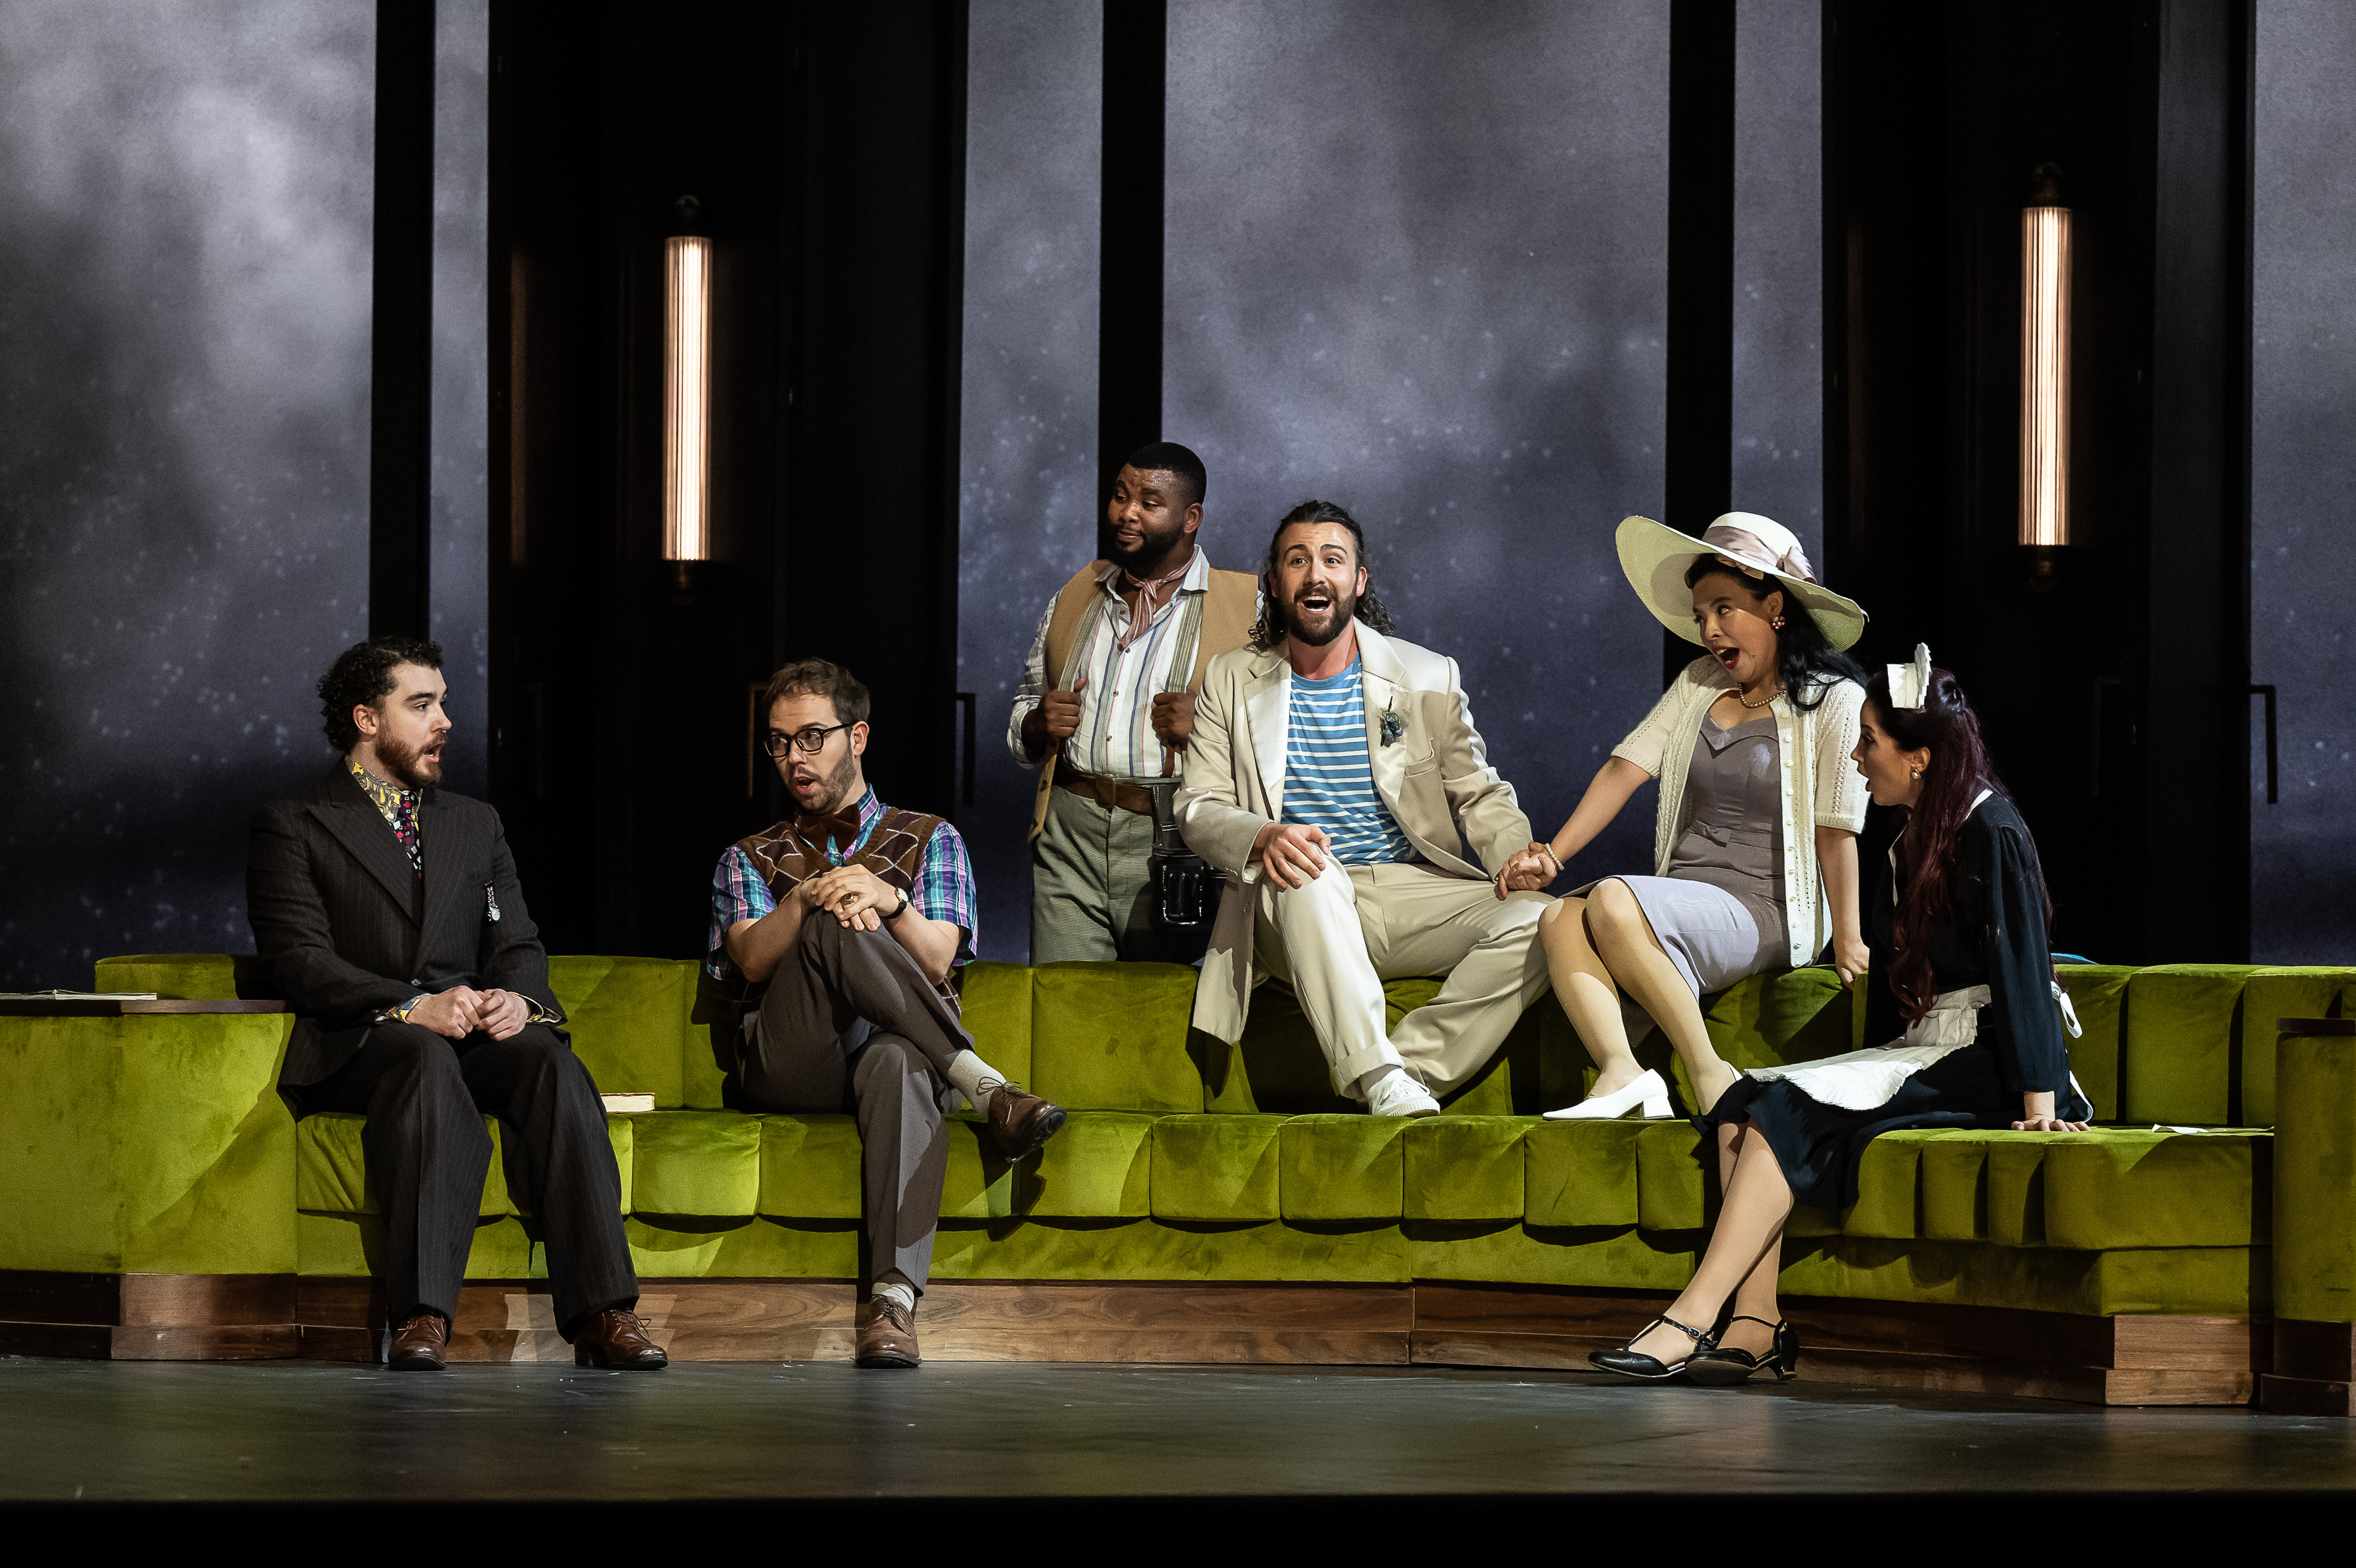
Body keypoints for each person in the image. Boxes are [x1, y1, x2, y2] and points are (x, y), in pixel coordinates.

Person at [1590, 649, 2092, 1384]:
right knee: (1741, 1103)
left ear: (1919, 757)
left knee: (1784, 1110)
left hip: (1991, 1059)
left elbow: (2024, 968)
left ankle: (1689, 1318)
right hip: (1932, 1046)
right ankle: (1757, 1323)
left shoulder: (1994, 829)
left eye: (1868, 742)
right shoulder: (1915, 830)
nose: (1856, 758)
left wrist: (2040, 1103)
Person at [247, 637, 664, 1372]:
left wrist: (517, 1000)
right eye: (422, 705)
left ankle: (605, 1312)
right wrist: (412, 1006)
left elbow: (519, 943)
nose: (444, 721)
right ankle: (422, 1315)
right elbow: (303, 963)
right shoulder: (297, 820)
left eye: (443, 703)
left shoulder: (475, 822)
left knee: (550, 1065)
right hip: (364, 1038)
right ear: (366, 720)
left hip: (466, 1028)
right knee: (424, 1058)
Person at [710, 659, 1065, 1369]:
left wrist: (889, 899)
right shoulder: (747, 856)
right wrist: (810, 899)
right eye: (779, 743)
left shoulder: (931, 839)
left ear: (859, 735)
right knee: (827, 919)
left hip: (889, 1056)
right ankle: (984, 1084)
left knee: (901, 1059)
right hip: (791, 1060)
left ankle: (894, 1307)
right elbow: (750, 961)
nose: (794, 759)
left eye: (812, 738)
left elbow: (938, 961)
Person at [1176, 499, 1550, 1117]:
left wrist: (1514, 854)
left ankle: (1409, 1074)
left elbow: (1480, 793)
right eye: (1297, 561)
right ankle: (1375, 1074)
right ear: (1273, 582)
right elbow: (1199, 805)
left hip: (1405, 891)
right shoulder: (1229, 677)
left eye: (1332, 559)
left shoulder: (1427, 674)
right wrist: (1265, 835)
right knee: (1307, 866)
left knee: (1546, 920)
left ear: (1358, 580)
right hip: (1290, 898)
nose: (1315, 574)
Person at [1501, 513, 1871, 1122]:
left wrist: (1850, 936)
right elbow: (1625, 768)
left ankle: (1709, 1074)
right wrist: (1553, 854)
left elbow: (1836, 826)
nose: (1709, 630)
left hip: (1767, 904)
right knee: (1561, 916)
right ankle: (1622, 1072)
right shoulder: (1699, 683)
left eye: (1724, 609)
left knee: (1613, 901)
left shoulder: (1833, 698)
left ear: (1774, 605)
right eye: (1701, 616)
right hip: (1686, 893)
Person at [1008, 441, 1259, 962]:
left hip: (1179, 839)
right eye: (1121, 496)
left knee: (1164, 1017)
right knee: (1063, 1007)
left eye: (1148, 502)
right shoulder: (1075, 594)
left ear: (1191, 518)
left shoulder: (1250, 609)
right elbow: (1023, 709)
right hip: (1068, 835)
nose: (1126, 513)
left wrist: (1213, 724)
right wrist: (1036, 724)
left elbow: (1296, 734)